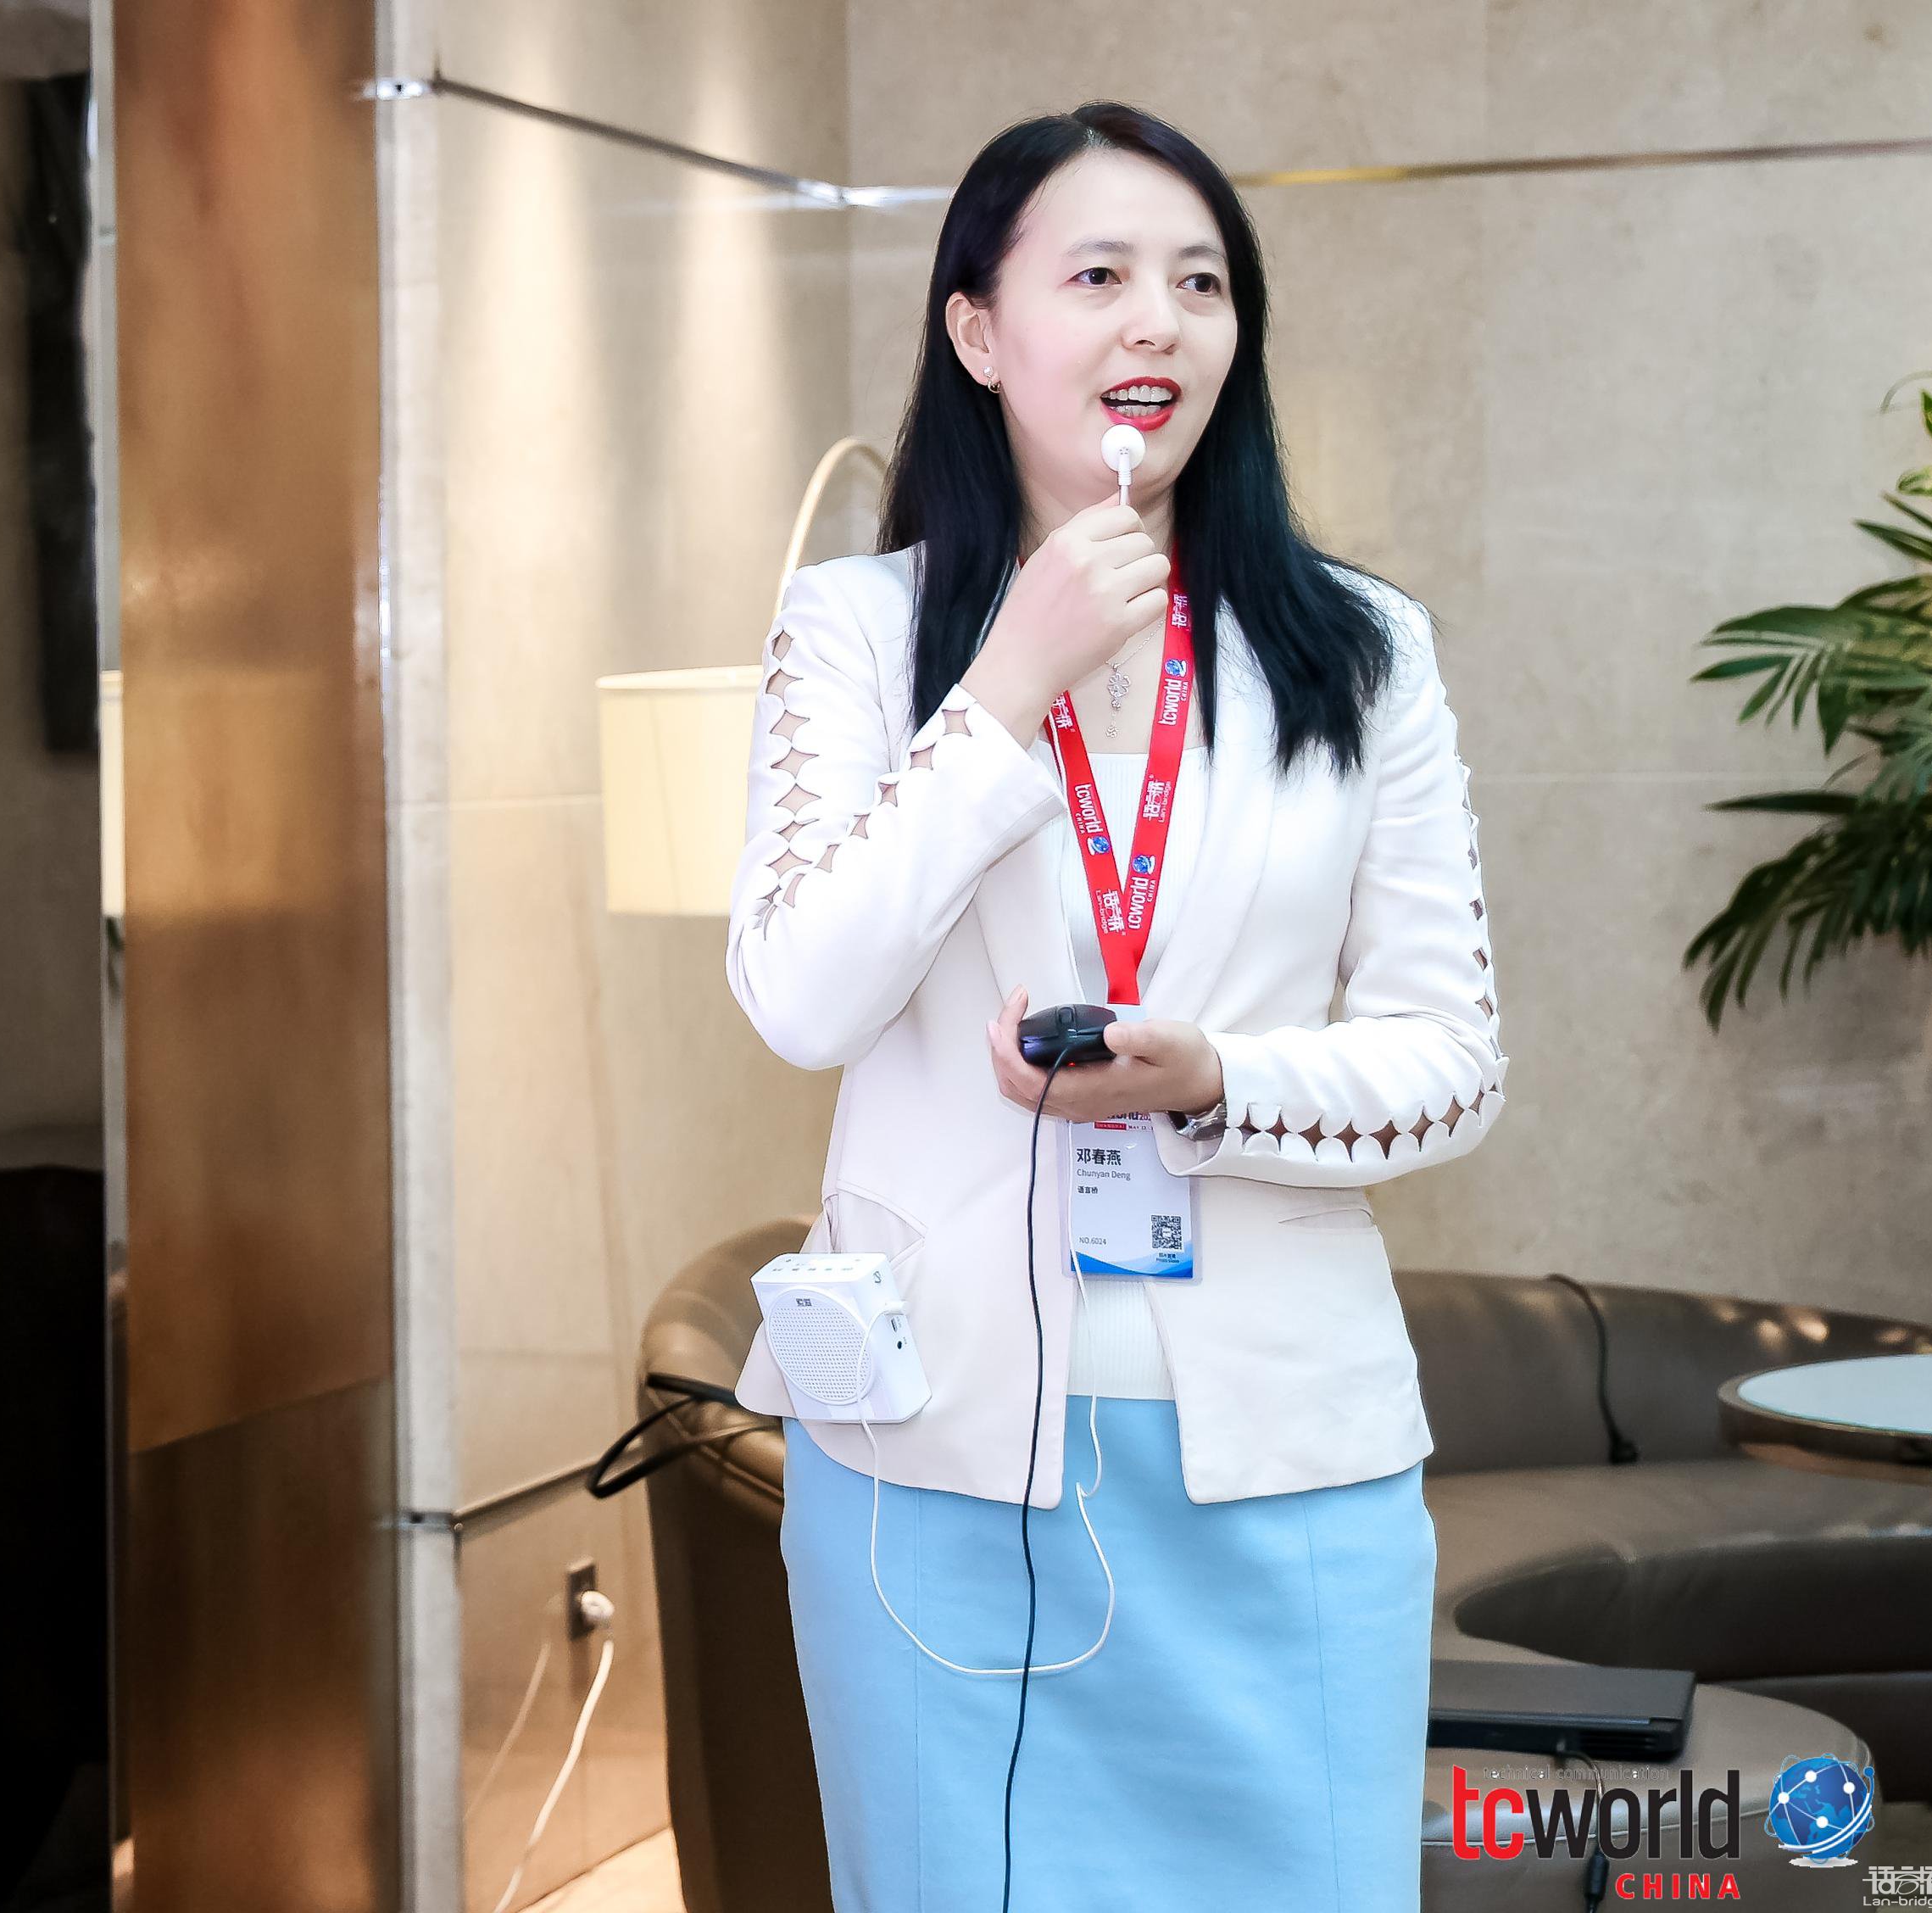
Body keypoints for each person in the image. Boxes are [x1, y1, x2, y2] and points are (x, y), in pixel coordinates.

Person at [721, 102, 1506, 1912]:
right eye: (1098, 276)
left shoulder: (1361, 649)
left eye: (1200, 282)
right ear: (978, 330)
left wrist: (1214, 1079)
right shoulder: (854, 633)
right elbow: (802, 995)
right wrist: (1006, 682)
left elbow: (1451, 1061)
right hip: (933, 1453)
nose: (1159, 320)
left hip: (1284, 1461)